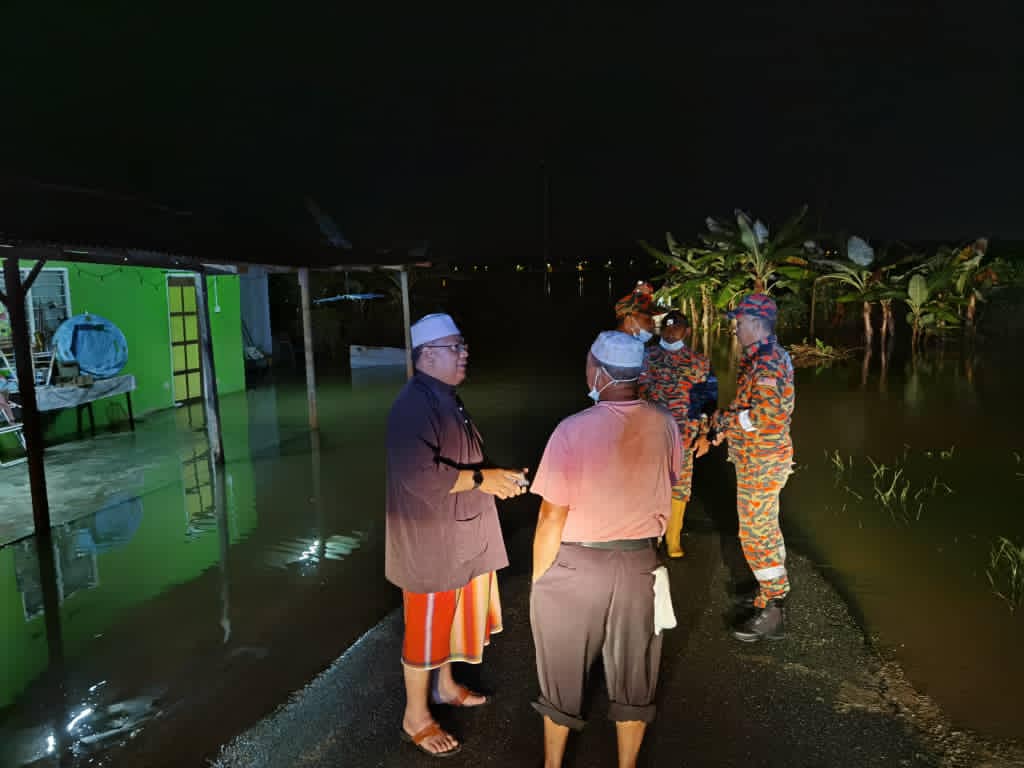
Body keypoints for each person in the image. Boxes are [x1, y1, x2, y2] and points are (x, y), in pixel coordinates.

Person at [529, 331, 681, 768]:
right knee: (636, 677)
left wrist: (542, 580)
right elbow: (668, 486)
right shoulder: (665, 423)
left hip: (577, 567)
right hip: (640, 565)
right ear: (641, 375)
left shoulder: (571, 430)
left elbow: (550, 517)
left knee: (561, 676)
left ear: (597, 372)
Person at [385, 312, 529, 758]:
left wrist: (499, 477)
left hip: (458, 531)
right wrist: (487, 480)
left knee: (450, 617)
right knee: (427, 625)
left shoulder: (444, 395)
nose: (464, 353)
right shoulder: (414, 403)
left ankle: (444, 686)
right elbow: (418, 474)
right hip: (432, 539)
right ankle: (415, 716)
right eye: (455, 347)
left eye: (463, 345)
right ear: (427, 355)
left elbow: (465, 464)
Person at [711, 294, 795, 642]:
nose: (735, 328)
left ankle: (773, 607)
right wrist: (728, 424)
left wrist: (726, 421)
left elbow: (765, 415)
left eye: (740, 322)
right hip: (756, 460)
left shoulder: (769, 362)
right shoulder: (761, 358)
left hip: (761, 462)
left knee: (756, 533)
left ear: (758, 325)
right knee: (763, 530)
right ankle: (767, 593)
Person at [638, 310, 718, 557]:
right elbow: (635, 393)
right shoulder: (646, 356)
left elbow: (709, 401)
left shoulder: (700, 362)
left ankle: (673, 538)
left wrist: (706, 435)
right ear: (662, 330)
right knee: (649, 485)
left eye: (677, 327)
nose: (672, 331)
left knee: (680, 487)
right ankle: (651, 537)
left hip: (685, 436)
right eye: (668, 327)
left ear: (687, 331)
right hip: (651, 434)